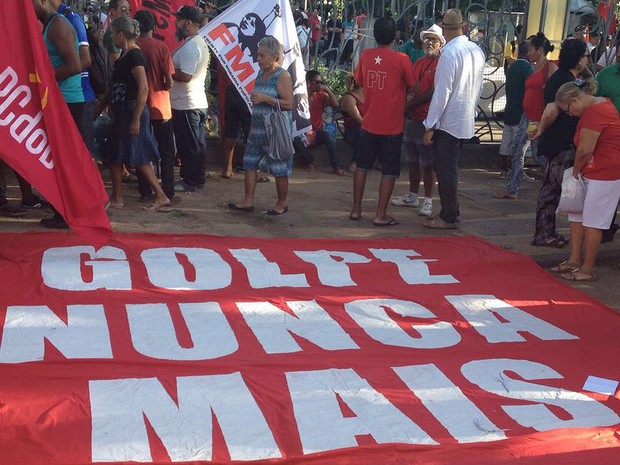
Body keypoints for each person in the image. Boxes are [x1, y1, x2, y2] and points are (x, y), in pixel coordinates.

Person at [549, 81, 620, 282]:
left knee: (592, 221)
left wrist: (575, 173)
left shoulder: (596, 112)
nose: (570, 114)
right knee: (577, 216)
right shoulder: (598, 107)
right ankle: (574, 260)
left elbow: (585, 149)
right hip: (594, 170)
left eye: (568, 109)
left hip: (604, 172)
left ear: (573, 100)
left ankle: (587, 268)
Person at [421, 9, 485, 229]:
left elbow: (442, 93)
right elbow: (478, 87)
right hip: (464, 117)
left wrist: (430, 125)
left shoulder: (449, 54)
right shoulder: (476, 50)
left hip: (448, 120)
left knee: (445, 169)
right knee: (447, 168)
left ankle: (449, 215)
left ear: (444, 30)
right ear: (464, 27)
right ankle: (448, 210)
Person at [349, 16, 416, 226]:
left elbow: (358, 81)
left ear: (374, 34)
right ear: (395, 35)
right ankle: (380, 214)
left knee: (362, 167)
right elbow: (413, 85)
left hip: (368, 122)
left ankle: (356, 210)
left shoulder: (367, 56)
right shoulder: (402, 59)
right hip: (392, 125)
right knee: (389, 171)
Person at [102, 16, 170, 212]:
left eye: (114, 33)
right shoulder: (125, 55)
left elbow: (143, 88)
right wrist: (103, 105)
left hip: (131, 111)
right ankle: (118, 196)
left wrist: (136, 118)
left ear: (121, 34)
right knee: (115, 155)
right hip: (124, 112)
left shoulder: (135, 56)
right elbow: (116, 85)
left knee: (137, 156)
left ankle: (159, 194)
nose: (112, 37)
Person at [530, 38, 591, 247]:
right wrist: (540, 131)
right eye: (585, 56)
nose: (586, 61)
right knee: (551, 189)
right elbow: (551, 109)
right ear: (578, 58)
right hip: (560, 142)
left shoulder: (567, 77)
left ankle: (546, 231)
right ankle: (544, 233)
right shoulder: (565, 80)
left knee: (552, 187)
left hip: (561, 142)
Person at [32, 0, 87, 229]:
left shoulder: (58, 25)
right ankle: (62, 212)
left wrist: (44, 80)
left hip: (68, 102)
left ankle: (67, 214)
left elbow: (76, 65)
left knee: (64, 161)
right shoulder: (49, 25)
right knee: (59, 160)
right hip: (61, 100)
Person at [228, 36, 294, 216]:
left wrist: (267, 99)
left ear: (274, 56)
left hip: (275, 131)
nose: (258, 59)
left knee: (279, 168)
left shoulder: (282, 75)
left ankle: (281, 204)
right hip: (257, 129)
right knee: (249, 163)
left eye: (262, 55)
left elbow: (289, 103)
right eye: (258, 55)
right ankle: (248, 200)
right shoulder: (260, 73)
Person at [494, 33, 556, 200]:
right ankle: (512, 188)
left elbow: (553, 93)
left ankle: (558, 182)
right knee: (517, 151)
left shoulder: (549, 68)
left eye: (531, 50)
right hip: (526, 116)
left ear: (540, 50)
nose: (528, 53)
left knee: (538, 155)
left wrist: (543, 118)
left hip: (539, 118)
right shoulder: (533, 67)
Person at [391, 24, 444, 217]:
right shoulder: (420, 62)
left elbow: (433, 91)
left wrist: (409, 105)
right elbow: (411, 85)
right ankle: (413, 196)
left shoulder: (440, 63)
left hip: (426, 119)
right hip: (413, 118)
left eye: (434, 40)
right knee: (413, 160)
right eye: (427, 39)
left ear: (440, 44)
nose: (429, 43)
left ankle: (428, 200)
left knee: (428, 163)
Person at [134, 9, 178, 204]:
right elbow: (169, 81)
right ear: (153, 27)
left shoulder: (133, 48)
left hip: (139, 106)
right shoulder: (161, 48)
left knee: (143, 150)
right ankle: (167, 189)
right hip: (161, 106)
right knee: (166, 151)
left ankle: (145, 190)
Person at [170, 6, 210, 193]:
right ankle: (197, 178)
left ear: (187, 22)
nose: (175, 24)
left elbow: (185, 75)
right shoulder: (196, 42)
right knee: (197, 143)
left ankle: (190, 181)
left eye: (178, 20)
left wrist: (168, 71)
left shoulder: (192, 45)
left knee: (189, 145)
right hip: (194, 102)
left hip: (187, 103)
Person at [292, 70, 344, 175]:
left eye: (321, 82)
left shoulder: (321, 95)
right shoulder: (300, 95)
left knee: (326, 135)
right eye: (317, 82)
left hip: (317, 130)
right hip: (302, 131)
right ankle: (309, 160)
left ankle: (336, 166)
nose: (319, 85)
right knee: (295, 140)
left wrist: (328, 90)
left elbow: (336, 105)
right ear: (308, 82)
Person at [595, 44, 620, 242]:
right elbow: (594, 103)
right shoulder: (605, 75)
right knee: (608, 188)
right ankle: (605, 225)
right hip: (609, 141)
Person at [496, 40, 532, 179]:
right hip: (521, 112)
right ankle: (518, 171)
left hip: (510, 110)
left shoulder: (512, 67)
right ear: (528, 52)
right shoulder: (527, 69)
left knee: (506, 142)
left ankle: (504, 170)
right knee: (520, 146)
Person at [339, 73, 364, 172]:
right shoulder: (349, 98)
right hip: (352, 131)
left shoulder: (368, 95)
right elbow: (358, 119)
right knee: (363, 134)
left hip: (365, 128)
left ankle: (380, 162)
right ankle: (355, 162)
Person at [103, 0, 131, 67]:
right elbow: (116, 60)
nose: (127, 13)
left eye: (129, 9)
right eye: (123, 9)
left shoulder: (123, 30)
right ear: (113, 11)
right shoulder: (112, 32)